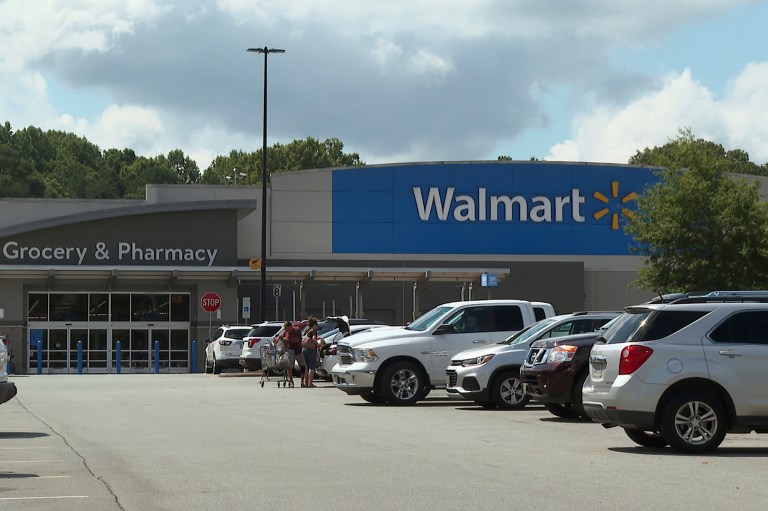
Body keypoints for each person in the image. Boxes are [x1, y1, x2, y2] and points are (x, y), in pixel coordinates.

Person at [277, 321, 302, 387]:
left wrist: (285, 339)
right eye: (285, 329)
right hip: (289, 351)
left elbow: (296, 340)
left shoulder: (297, 330)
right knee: (289, 367)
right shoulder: (285, 332)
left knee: (303, 366)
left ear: (290, 327)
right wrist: (278, 339)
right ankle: (291, 381)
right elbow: (280, 338)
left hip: (298, 351)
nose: (286, 330)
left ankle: (303, 382)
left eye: (287, 328)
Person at [302, 317, 319, 387]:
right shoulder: (313, 330)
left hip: (304, 349)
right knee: (312, 367)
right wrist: (317, 345)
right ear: (314, 325)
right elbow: (314, 338)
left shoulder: (307, 330)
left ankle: (305, 383)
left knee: (307, 367)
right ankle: (310, 383)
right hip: (311, 349)